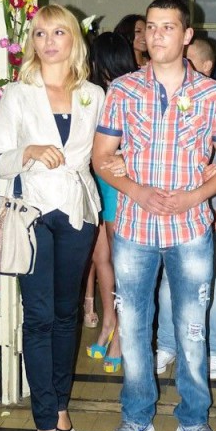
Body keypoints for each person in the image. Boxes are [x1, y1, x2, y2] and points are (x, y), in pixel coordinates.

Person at [93, 0, 216, 431]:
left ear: (187, 35)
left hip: (190, 229)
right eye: (151, 27)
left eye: (168, 27)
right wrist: (135, 190)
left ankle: (194, 420)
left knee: (192, 329)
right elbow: (101, 157)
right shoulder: (123, 90)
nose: (157, 35)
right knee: (134, 329)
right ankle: (136, 417)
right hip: (134, 228)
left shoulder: (213, 94)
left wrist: (196, 196)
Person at [0, 4, 104, 431]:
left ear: (74, 39)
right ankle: (43, 422)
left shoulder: (93, 94)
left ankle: (59, 407)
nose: (49, 41)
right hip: (31, 214)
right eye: (40, 33)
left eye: (58, 32)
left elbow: (105, 152)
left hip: (77, 212)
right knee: (38, 318)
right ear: (31, 42)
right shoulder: (17, 95)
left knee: (66, 315)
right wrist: (29, 151)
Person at [156, 37, 216, 381]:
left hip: (212, 212)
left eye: (187, 58)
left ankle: (212, 350)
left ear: (206, 66)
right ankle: (167, 344)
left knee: (210, 284)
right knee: (167, 283)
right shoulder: (164, 98)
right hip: (171, 213)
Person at [83, 30, 137, 371]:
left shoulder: (130, 91)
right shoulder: (91, 93)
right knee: (101, 256)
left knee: (122, 261)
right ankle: (108, 323)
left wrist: (124, 157)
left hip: (118, 184)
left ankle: (122, 335)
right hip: (95, 182)